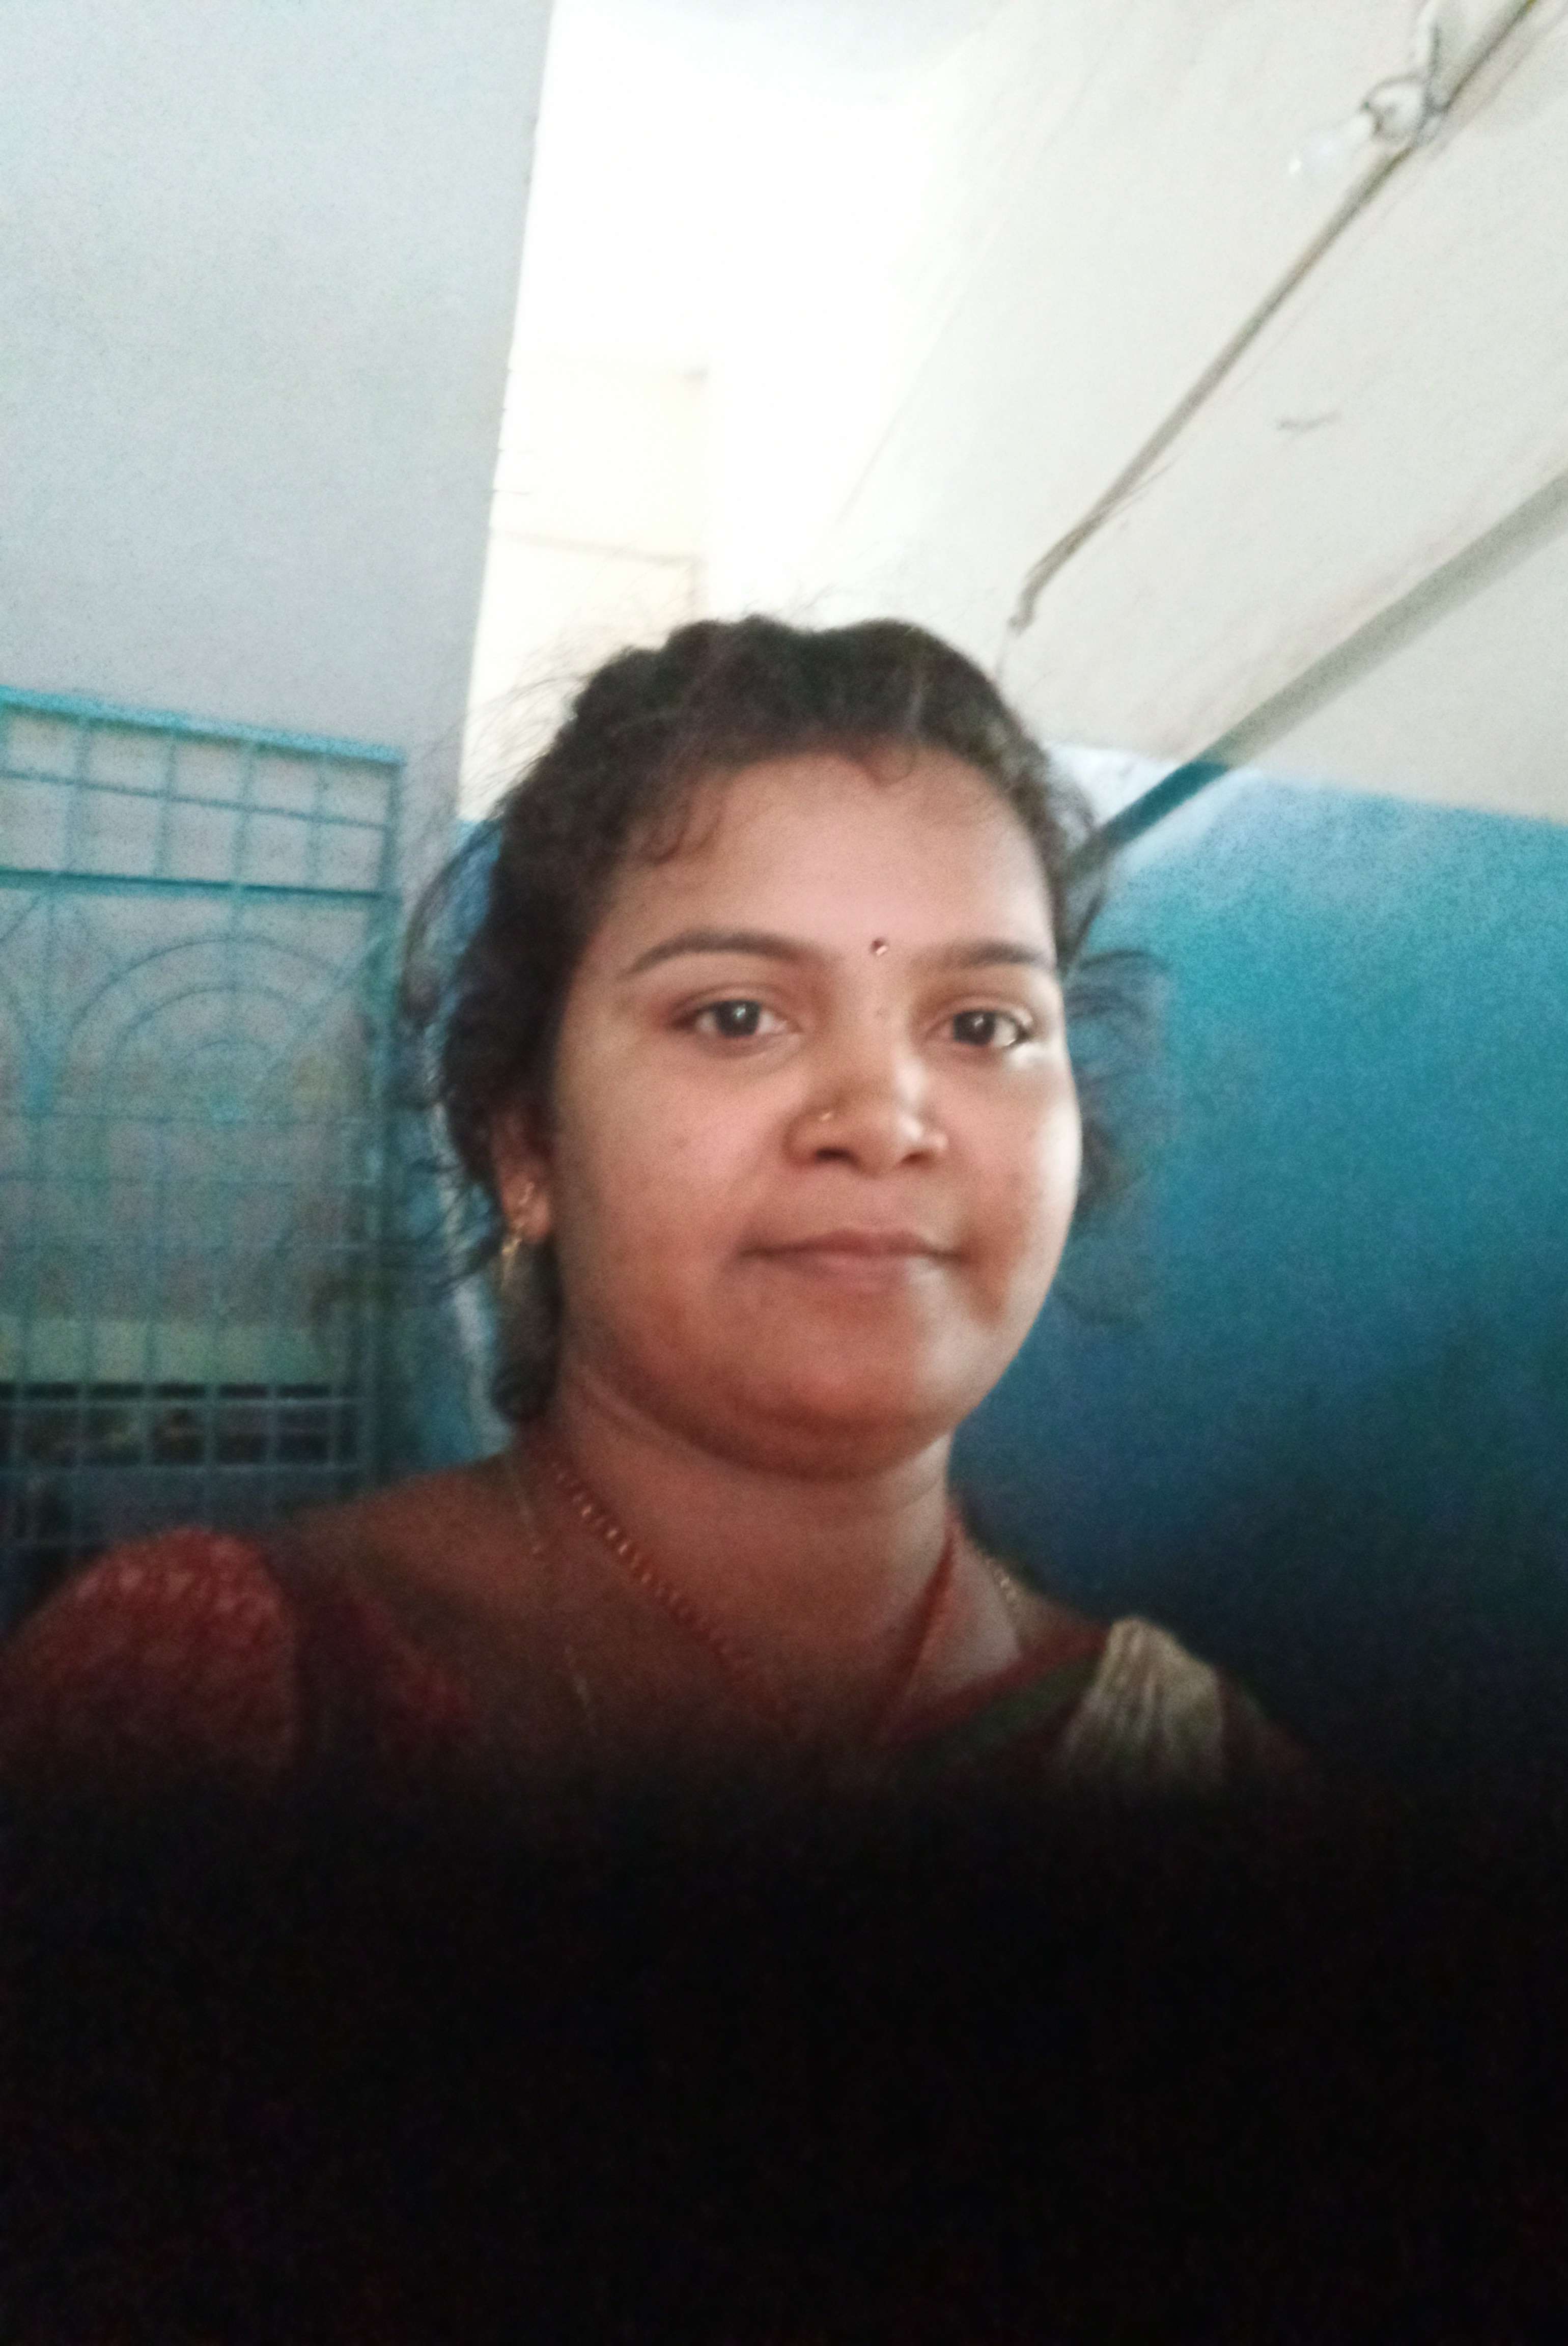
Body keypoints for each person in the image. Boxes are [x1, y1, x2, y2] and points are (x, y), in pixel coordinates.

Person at [0, 617, 1303, 1810]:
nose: (884, 1119)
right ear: (528, 1149)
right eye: (735, 1016)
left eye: (983, 1026)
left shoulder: (1205, 1771)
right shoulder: (216, 1692)